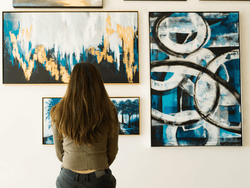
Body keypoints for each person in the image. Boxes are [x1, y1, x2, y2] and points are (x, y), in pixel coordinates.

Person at [51, 62, 119, 188]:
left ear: (72, 83)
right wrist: (99, 164)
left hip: (68, 177)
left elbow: (59, 152)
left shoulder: (58, 110)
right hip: (99, 176)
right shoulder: (109, 110)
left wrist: (74, 163)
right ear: (98, 83)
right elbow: (112, 151)